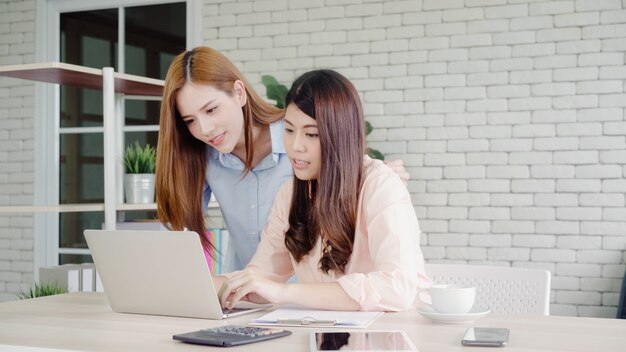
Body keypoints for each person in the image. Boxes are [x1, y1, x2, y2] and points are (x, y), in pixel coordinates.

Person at [156, 47, 409, 271]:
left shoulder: (298, 137)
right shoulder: (202, 156)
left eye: (211, 109)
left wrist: (379, 174)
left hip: (312, 297)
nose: (205, 129)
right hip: (247, 297)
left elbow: (346, 163)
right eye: (189, 120)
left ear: (239, 93)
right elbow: (176, 238)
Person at [217, 69, 428, 312]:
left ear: (340, 135)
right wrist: (196, 289)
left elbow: (397, 288)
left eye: (311, 134)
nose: (295, 146)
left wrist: (283, 292)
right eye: (288, 130)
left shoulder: (380, 186)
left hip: (394, 336)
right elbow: (261, 278)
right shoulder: (290, 194)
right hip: (323, 335)